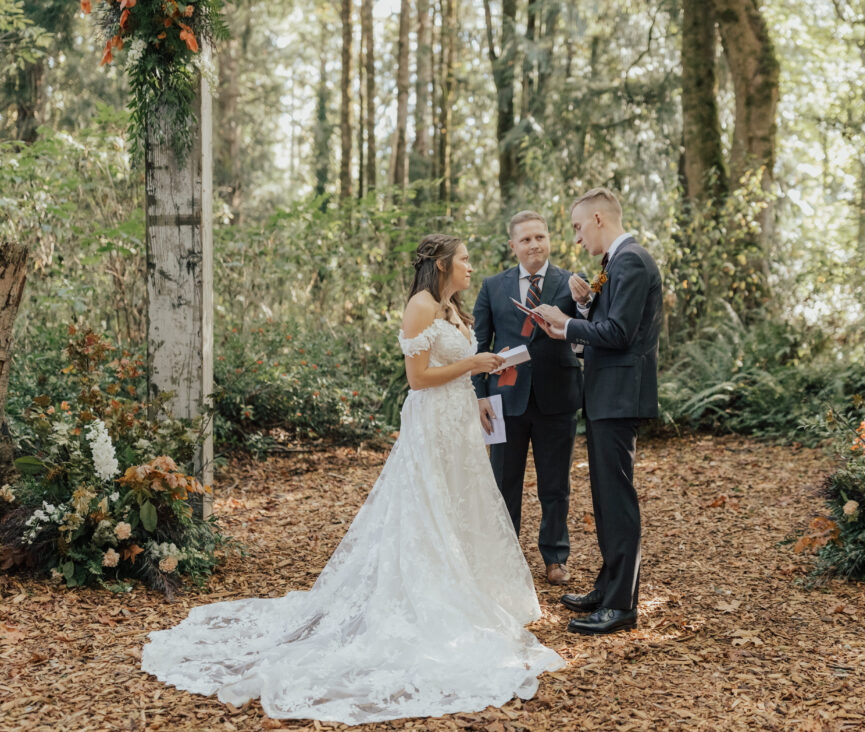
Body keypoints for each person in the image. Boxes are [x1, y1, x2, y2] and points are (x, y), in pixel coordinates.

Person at [141, 234, 564, 724]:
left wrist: (479, 389)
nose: (471, 266)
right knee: (429, 509)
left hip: (460, 423)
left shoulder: (452, 308)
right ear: (442, 264)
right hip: (432, 425)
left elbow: (454, 372)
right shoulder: (421, 306)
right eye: (465, 260)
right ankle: (428, 597)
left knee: (461, 508)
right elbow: (418, 379)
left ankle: (473, 590)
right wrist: (474, 363)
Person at [533, 188, 662, 636]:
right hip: (608, 394)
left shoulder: (631, 261)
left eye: (577, 226)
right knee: (606, 499)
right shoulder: (616, 263)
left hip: (620, 395)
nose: (576, 237)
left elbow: (620, 333)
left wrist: (566, 321)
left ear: (599, 219)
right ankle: (609, 588)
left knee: (617, 500)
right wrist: (584, 309)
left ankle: (622, 605)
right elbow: (608, 327)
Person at [472, 210, 582, 586]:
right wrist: (479, 396)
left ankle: (555, 557)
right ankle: (506, 557)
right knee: (504, 483)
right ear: (513, 246)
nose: (534, 244)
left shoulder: (572, 283)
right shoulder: (492, 286)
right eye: (526, 239)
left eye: (540, 237)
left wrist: (584, 305)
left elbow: (586, 332)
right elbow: (479, 344)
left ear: (549, 239)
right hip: (504, 400)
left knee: (556, 485)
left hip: (558, 397)